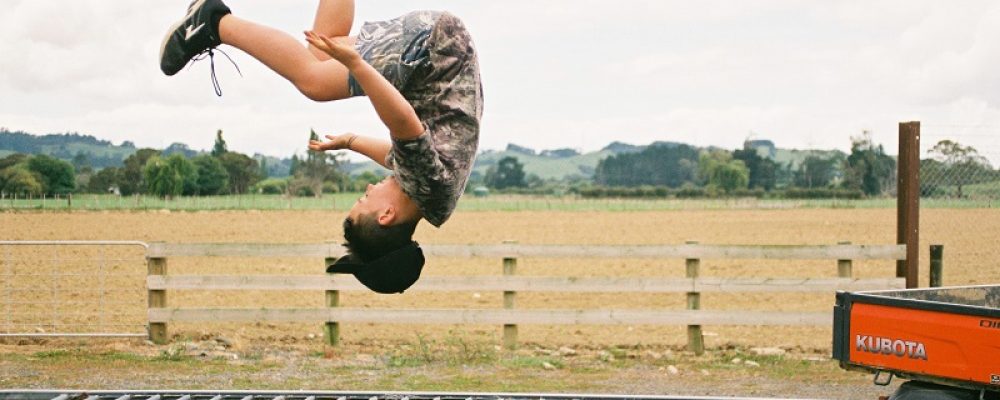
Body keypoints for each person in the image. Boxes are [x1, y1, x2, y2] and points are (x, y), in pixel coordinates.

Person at [159, 0, 483, 293]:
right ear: (386, 215)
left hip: (441, 49)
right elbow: (402, 123)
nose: (368, 189)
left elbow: (397, 158)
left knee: (320, 51)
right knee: (314, 81)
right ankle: (213, 22)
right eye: (363, 200)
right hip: (433, 50)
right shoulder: (426, 183)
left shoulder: (431, 201)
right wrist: (358, 65)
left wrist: (352, 142)